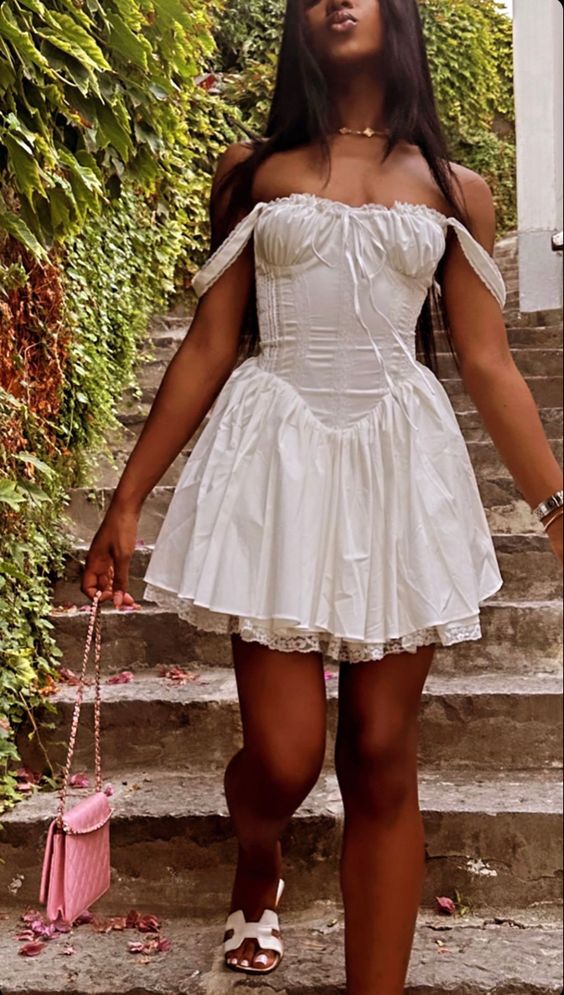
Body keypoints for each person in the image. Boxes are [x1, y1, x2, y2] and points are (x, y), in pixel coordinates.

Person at [82, 0, 564, 991]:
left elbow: (487, 361)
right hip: (276, 460)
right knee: (287, 755)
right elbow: (211, 343)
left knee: (382, 750)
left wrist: (557, 505)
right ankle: (257, 860)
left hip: (400, 465)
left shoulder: (457, 189)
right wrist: (127, 498)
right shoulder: (252, 171)